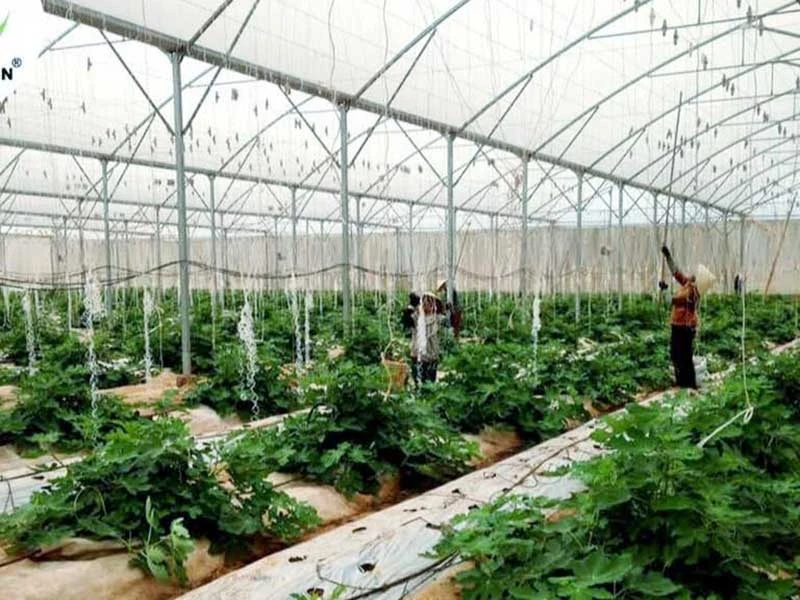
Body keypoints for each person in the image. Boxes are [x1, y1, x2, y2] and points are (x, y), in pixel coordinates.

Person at [661, 245, 702, 389]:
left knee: (683, 355)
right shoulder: (688, 285)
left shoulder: (692, 292)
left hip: (684, 327)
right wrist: (668, 257)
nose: (692, 275)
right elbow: (676, 272)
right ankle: (682, 382)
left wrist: (664, 290)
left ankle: (688, 384)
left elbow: (671, 300)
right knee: (677, 354)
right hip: (679, 325)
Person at [410, 292, 446, 385]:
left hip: (431, 354)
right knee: (417, 378)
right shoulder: (416, 317)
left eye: (428, 303)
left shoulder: (438, 318)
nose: (425, 305)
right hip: (417, 353)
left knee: (430, 380)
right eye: (424, 303)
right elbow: (407, 319)